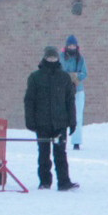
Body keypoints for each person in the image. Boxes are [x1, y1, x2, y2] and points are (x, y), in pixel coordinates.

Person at [24, 45, 79, 191]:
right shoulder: (35, 77)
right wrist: (30, 120)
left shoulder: (64, 77)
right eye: (49, 57)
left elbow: (70, 101)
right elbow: (29, 100)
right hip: (42, 122)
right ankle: (44, 181)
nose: (51, 59)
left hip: (60, 122)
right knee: (43, 153)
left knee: (61, 153)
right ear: (44, 58)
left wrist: (72, 121)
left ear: (57, 58)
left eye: (54, 57)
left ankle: (64, 181)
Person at [61, 36, 88, 150]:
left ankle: (76, 141)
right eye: (70, 45)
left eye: (73, 45)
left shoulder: (80, 58)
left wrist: (76, 76)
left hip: (78, 90)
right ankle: (61, 138)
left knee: (77, 116)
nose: (71, 47)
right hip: (63, 90)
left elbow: (84, 73)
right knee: (62, 115)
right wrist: (68, 77)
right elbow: (59, 71)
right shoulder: (61, 57)